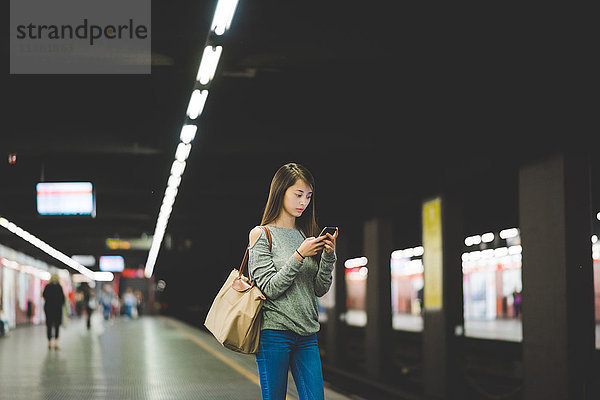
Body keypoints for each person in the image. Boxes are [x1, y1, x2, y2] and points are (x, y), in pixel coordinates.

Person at [248, 162, 338, 400]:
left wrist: (328, 256)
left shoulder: (305, 234)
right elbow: (269, 288)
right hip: (274, 333)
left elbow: (319, 288)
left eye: (308, 196)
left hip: (307, 334)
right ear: (280, 192)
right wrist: (299, 255)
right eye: (298, 194)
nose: (303, 202)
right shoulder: (261, 234)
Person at [42, 274, 65, 349]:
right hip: (57, 309)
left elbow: (44, 295)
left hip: (48, 308)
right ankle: (56, 343)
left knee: (49, 325)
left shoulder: (47, 286)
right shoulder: (59, 287)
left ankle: (49, 343)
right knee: (57, 325)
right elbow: (63, 299)